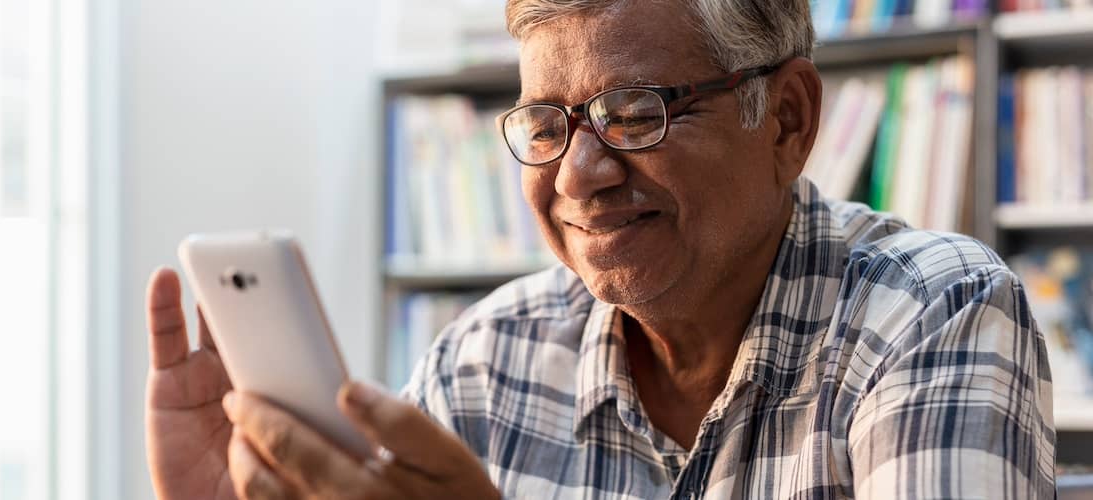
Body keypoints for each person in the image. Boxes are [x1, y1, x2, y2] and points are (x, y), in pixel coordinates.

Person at [144, 0, 1056, 498]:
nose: (578, 174)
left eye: (635, 112)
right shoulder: (481, 364)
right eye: (546, 122)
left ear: (787, 120)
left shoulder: (935, 313)